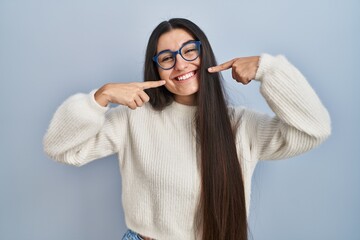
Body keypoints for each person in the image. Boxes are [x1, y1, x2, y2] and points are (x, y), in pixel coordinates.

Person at [43, 18, 331, 240]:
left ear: (205, 54)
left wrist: (269, 70)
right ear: (156, 68)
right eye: (167, 58)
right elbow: (61, 149)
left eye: (189, 51)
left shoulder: (242, 126)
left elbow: (313, 129)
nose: (180, 63)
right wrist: (100, 98)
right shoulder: (133, 119)